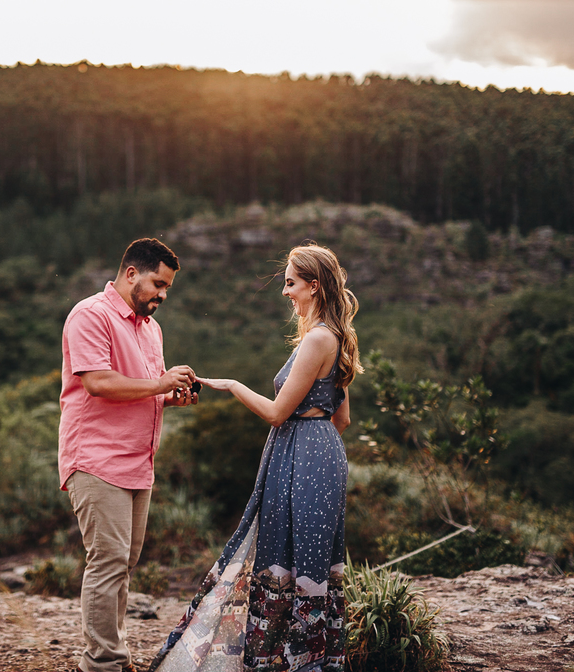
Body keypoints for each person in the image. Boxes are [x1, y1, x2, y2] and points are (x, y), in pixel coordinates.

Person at [150, 243, 360, 672]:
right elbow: (343, 419)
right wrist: (313, 445)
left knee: (286, 551)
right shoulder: (335, 338)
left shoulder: (318, 338)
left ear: (314, 286)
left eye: (290, 283)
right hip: (321, 453)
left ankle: (287, 660)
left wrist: (232, 385)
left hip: (302, 455)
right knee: (310, 556)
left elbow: (277, 412)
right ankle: (310, 657)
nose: (285, 292)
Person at [59, 237, 199, 672]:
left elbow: (141, 391)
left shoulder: (151, 329)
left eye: (168, 289)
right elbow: (99, 383)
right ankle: (103, 664)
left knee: (125, 563)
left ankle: (112, 658)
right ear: (131, 273)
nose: (162, 294)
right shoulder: (90, 315)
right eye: (158, 283)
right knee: (108, 562)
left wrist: (171, 397)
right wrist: (160, 384)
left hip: (139, 464)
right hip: (97, 460)